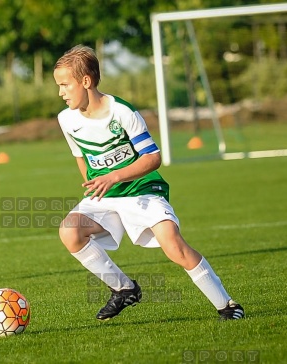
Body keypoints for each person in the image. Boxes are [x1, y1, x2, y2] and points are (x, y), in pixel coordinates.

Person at [53, 45, 244, 321]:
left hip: (142, 190)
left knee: (173, 245)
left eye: (64, 84)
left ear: (86, 81)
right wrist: (94, 185)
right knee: (69, 231)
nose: (60, 92)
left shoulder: (122, 112)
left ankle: (227, 305)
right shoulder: (66, 119)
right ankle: (124, 289)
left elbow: (153, 158)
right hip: (106, 195)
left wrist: (115, 176)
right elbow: (80, 155)